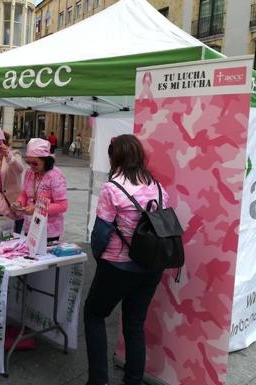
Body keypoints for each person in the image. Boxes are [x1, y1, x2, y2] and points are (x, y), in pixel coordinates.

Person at [85, 134, 168, 385]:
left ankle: (98, 381)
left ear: (115, 156)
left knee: (94, 314)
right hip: (152, 266)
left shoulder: (113, 187)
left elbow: (101, 232)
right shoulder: (157, 186)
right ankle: (133, 380)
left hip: (117, 265)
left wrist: (99, 257)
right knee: (134, 323)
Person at [13, 138, 68, 242]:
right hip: (30, 227)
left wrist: (37, 209)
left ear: (46, 161)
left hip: (49, 230)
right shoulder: (29, 173)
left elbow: (62, 206)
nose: (31, 166)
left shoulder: (56, 176)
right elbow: (25, 193)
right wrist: (19, 203)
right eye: (28, 162)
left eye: (35, 163)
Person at [0, 128, 25, 232]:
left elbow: (19, 169)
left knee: (15, 234)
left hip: (14, 203)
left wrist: (8, 155)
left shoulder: (15, 154)